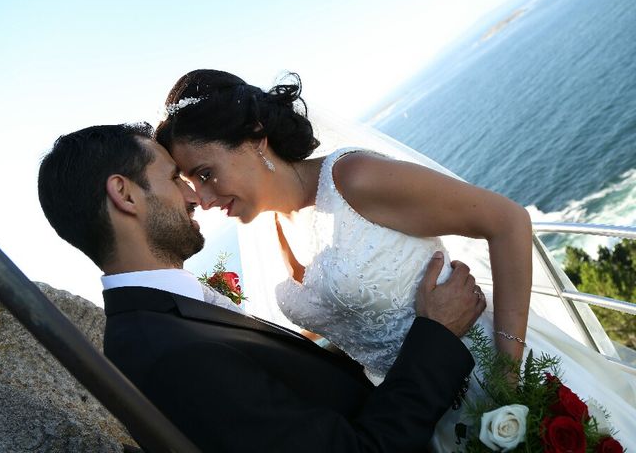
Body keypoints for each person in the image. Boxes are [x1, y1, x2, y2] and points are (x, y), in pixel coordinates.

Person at [155, 69, 636, 450]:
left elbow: (507, 220)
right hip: (420, 416)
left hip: (502, 377)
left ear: (255, 138)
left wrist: (510, 381)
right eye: (191, 185)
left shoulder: (353, 178)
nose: (205, 198)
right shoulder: (276, 228)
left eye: (206, 173)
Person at [37, 123, 485, 452]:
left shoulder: (159, 320)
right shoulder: (161, 351)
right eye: (175, 178)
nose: (196, 198)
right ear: (125, 194)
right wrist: (437, 336)